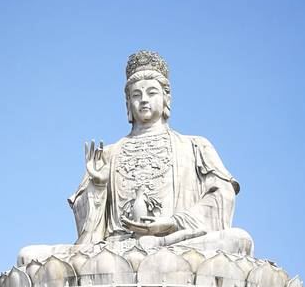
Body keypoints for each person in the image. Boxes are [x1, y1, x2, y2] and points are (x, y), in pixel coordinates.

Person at [18, 51, 253, 266]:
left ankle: (153, 251)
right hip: (116, 249)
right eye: (136, 95)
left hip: (175, 243)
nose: (144, 100)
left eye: (152, 92)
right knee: (29, 255)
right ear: (127, 103)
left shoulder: (195, 145)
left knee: (239, 240)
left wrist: (172, 222)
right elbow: (88, 234)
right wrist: (98, 186)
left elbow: (222, 196)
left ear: (166, 98)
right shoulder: (108, 153)